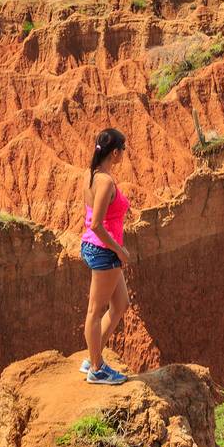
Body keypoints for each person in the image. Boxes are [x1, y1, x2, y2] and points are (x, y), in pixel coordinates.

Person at [79, 128, 133, 384]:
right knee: (95, 311)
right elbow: (97, 224)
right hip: (103, 251)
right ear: (115, 152)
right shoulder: (106, 182)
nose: (124, 154)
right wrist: (119, 250)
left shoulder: (92, 175)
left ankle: (94, 355)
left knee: (121, 304)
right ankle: (96, 368)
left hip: (101, 250)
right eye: (123, 150)